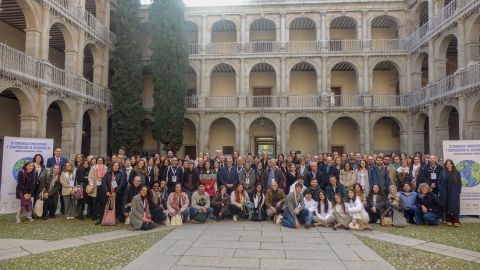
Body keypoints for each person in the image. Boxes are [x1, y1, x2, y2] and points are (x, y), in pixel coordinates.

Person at [439, 159, 462, 227]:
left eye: (450, 163)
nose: (448, 165)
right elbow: (439, 182)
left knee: (454, 205)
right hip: (445, 191)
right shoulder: (442, 172)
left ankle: (456, 220)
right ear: (445, 165)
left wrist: (458, 191)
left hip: (454, 192)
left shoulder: (456, 172)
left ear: (452, 164)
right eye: (447, 164)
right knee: (446, 205)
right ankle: (448, 219)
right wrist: (441, 189)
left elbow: (459, 183)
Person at [88, 157, 108, 223]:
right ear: (97, 161)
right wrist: (91, 184)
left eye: (101, 160)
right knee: (95, 202)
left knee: (102, 202)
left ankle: (101, 215)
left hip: (103, 186)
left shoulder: (106, 168)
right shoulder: (93, 167)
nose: (100, 161)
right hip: (95, 186)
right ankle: (95, 215)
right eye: (98, 160)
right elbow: (90, 176)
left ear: (103, 161)